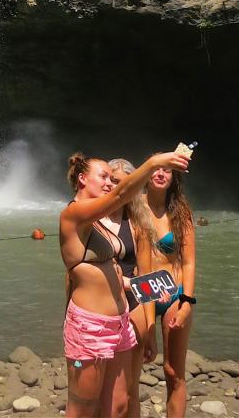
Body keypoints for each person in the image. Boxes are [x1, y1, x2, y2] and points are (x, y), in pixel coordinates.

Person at [60, 150, 190, 418]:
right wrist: (154, 163)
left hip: (119, 323)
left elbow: (115, 273)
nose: (109, 182)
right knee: (83, 410)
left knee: (119, 405)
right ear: (83, 179)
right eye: (104, 176)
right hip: (90, 326)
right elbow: (120, 195)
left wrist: (148, 286)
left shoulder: (100, 224)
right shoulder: (74, 214)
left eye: (112, 178)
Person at [103, 158, 158, 418]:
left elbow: (146, 278)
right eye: (112, 180)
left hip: (132, 309)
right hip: (97, 311)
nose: (117, 187)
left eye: (123, 182)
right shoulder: (92, 218)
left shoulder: (137, 224)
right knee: (102, 391)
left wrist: (151, 331)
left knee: (130, 391)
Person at [145, 161, 196, 418]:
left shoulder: (180, 212)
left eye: (167, 170)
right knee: (131, 371)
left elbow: (188, 261)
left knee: (174, 372)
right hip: (141, 295)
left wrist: (187, 302)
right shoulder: (133, 208)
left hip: (173, 293)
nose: (161, 173)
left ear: (173, 178)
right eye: (156, 168)